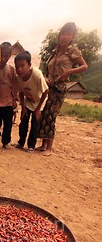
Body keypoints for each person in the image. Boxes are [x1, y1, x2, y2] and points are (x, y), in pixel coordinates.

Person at [37, 22, 87, 156]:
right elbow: (48, 68)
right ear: (59, 36)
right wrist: (46, 77)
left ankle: (49, 147)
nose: (65, 37)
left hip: (59, 87)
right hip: (49, 86)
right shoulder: (54, 52)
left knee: (51, 115)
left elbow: (84, 66)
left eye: (68, 34)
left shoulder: (73, 51)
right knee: (45, 113)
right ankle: (43, 144)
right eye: (63, 34)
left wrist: (70, 72)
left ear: (72, 37)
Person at [14, 51, 49, 151]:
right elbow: (20, 92)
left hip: (39, 101)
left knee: (35, 123)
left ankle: (31, 145)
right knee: (23, 121)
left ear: (29, 65)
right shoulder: (18, 77)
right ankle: (21, 142)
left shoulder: (37, 74)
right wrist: (23, 107)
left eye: (22, 66)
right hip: (28, 101)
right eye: (17, 67)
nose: (19, 69)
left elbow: (45, 91)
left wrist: (38, 110)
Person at [0, 42, 17, 148]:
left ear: (9, 56)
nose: (3, 58)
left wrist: (15, 99)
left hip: (8, 102)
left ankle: (5, 142)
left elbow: (14, 86)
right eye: (1, 55)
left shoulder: (11, 70)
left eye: (6, 55)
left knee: (8, 124)